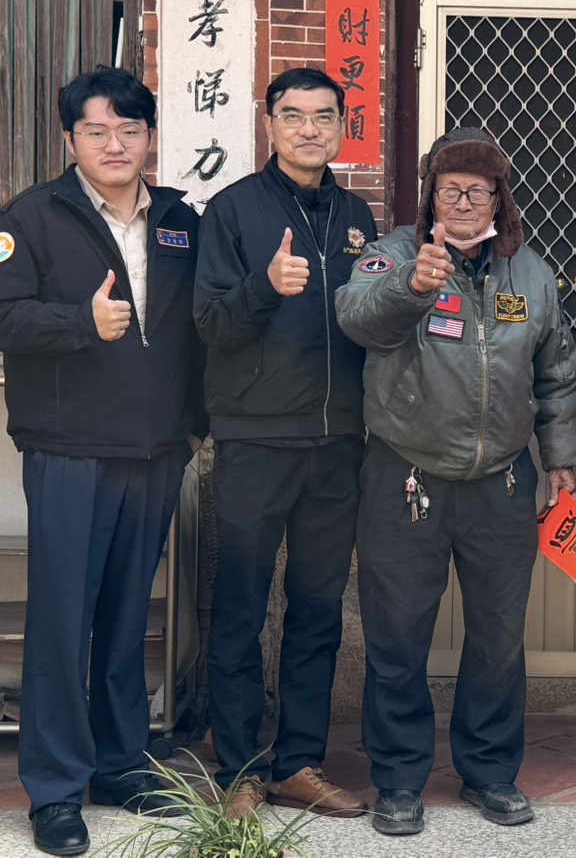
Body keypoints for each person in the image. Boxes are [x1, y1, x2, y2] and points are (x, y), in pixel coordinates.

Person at [0, 68, 206, 857]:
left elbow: (200, 328)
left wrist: (194, 426)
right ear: (70, 138)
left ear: (149, 138)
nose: (115, 145)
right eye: (97, 131)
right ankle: (56, 790)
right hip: (70, 450)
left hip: (155, 450)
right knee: (63, 623)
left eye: (129, 130)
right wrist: (79, 321)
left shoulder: (178, 220)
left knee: (127, 618)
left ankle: (121, 766)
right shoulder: (33, 217)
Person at [336, 127, 576, 837]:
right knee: (397, 636)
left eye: (479, 191)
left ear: (500, 200)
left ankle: (491, 771)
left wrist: (560, 457)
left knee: (498, 637)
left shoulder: (530, 273)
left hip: (500, 483)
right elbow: (355, 318)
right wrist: (412, 288)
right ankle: (398, 779)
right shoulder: (393, 255)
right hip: (405, 476)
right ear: (430, 197)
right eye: (451, 190)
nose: (466, 203)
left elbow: (555, 373)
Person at [193, 67, 378, 821]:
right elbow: (211, 324)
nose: (309, 129)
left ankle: (299, 761)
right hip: (255, 440)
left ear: (341, 126)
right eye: (293, 115)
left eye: (323, 116)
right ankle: (240, 769)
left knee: (317, 609)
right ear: (269, 124)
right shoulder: (233, 211)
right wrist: (266, 285)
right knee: (241, 606)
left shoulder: (358, 216)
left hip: (338, 443)